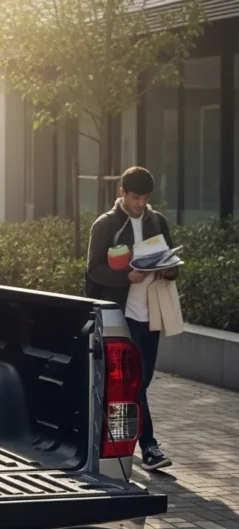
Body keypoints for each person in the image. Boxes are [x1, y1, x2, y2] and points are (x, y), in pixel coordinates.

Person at [85, 166, 177, 472]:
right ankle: (149, 447)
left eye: (146, 198)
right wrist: (127, 276)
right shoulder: (106, 224)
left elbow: (171, 261)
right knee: (136, 380)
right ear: (122, 193)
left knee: (142, 381)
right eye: (136, 197)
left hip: (151, 312)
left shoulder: (157, 221)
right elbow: (94, 270)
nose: (141, 203)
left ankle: (117, 436)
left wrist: (170, 269)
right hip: (122, 314)